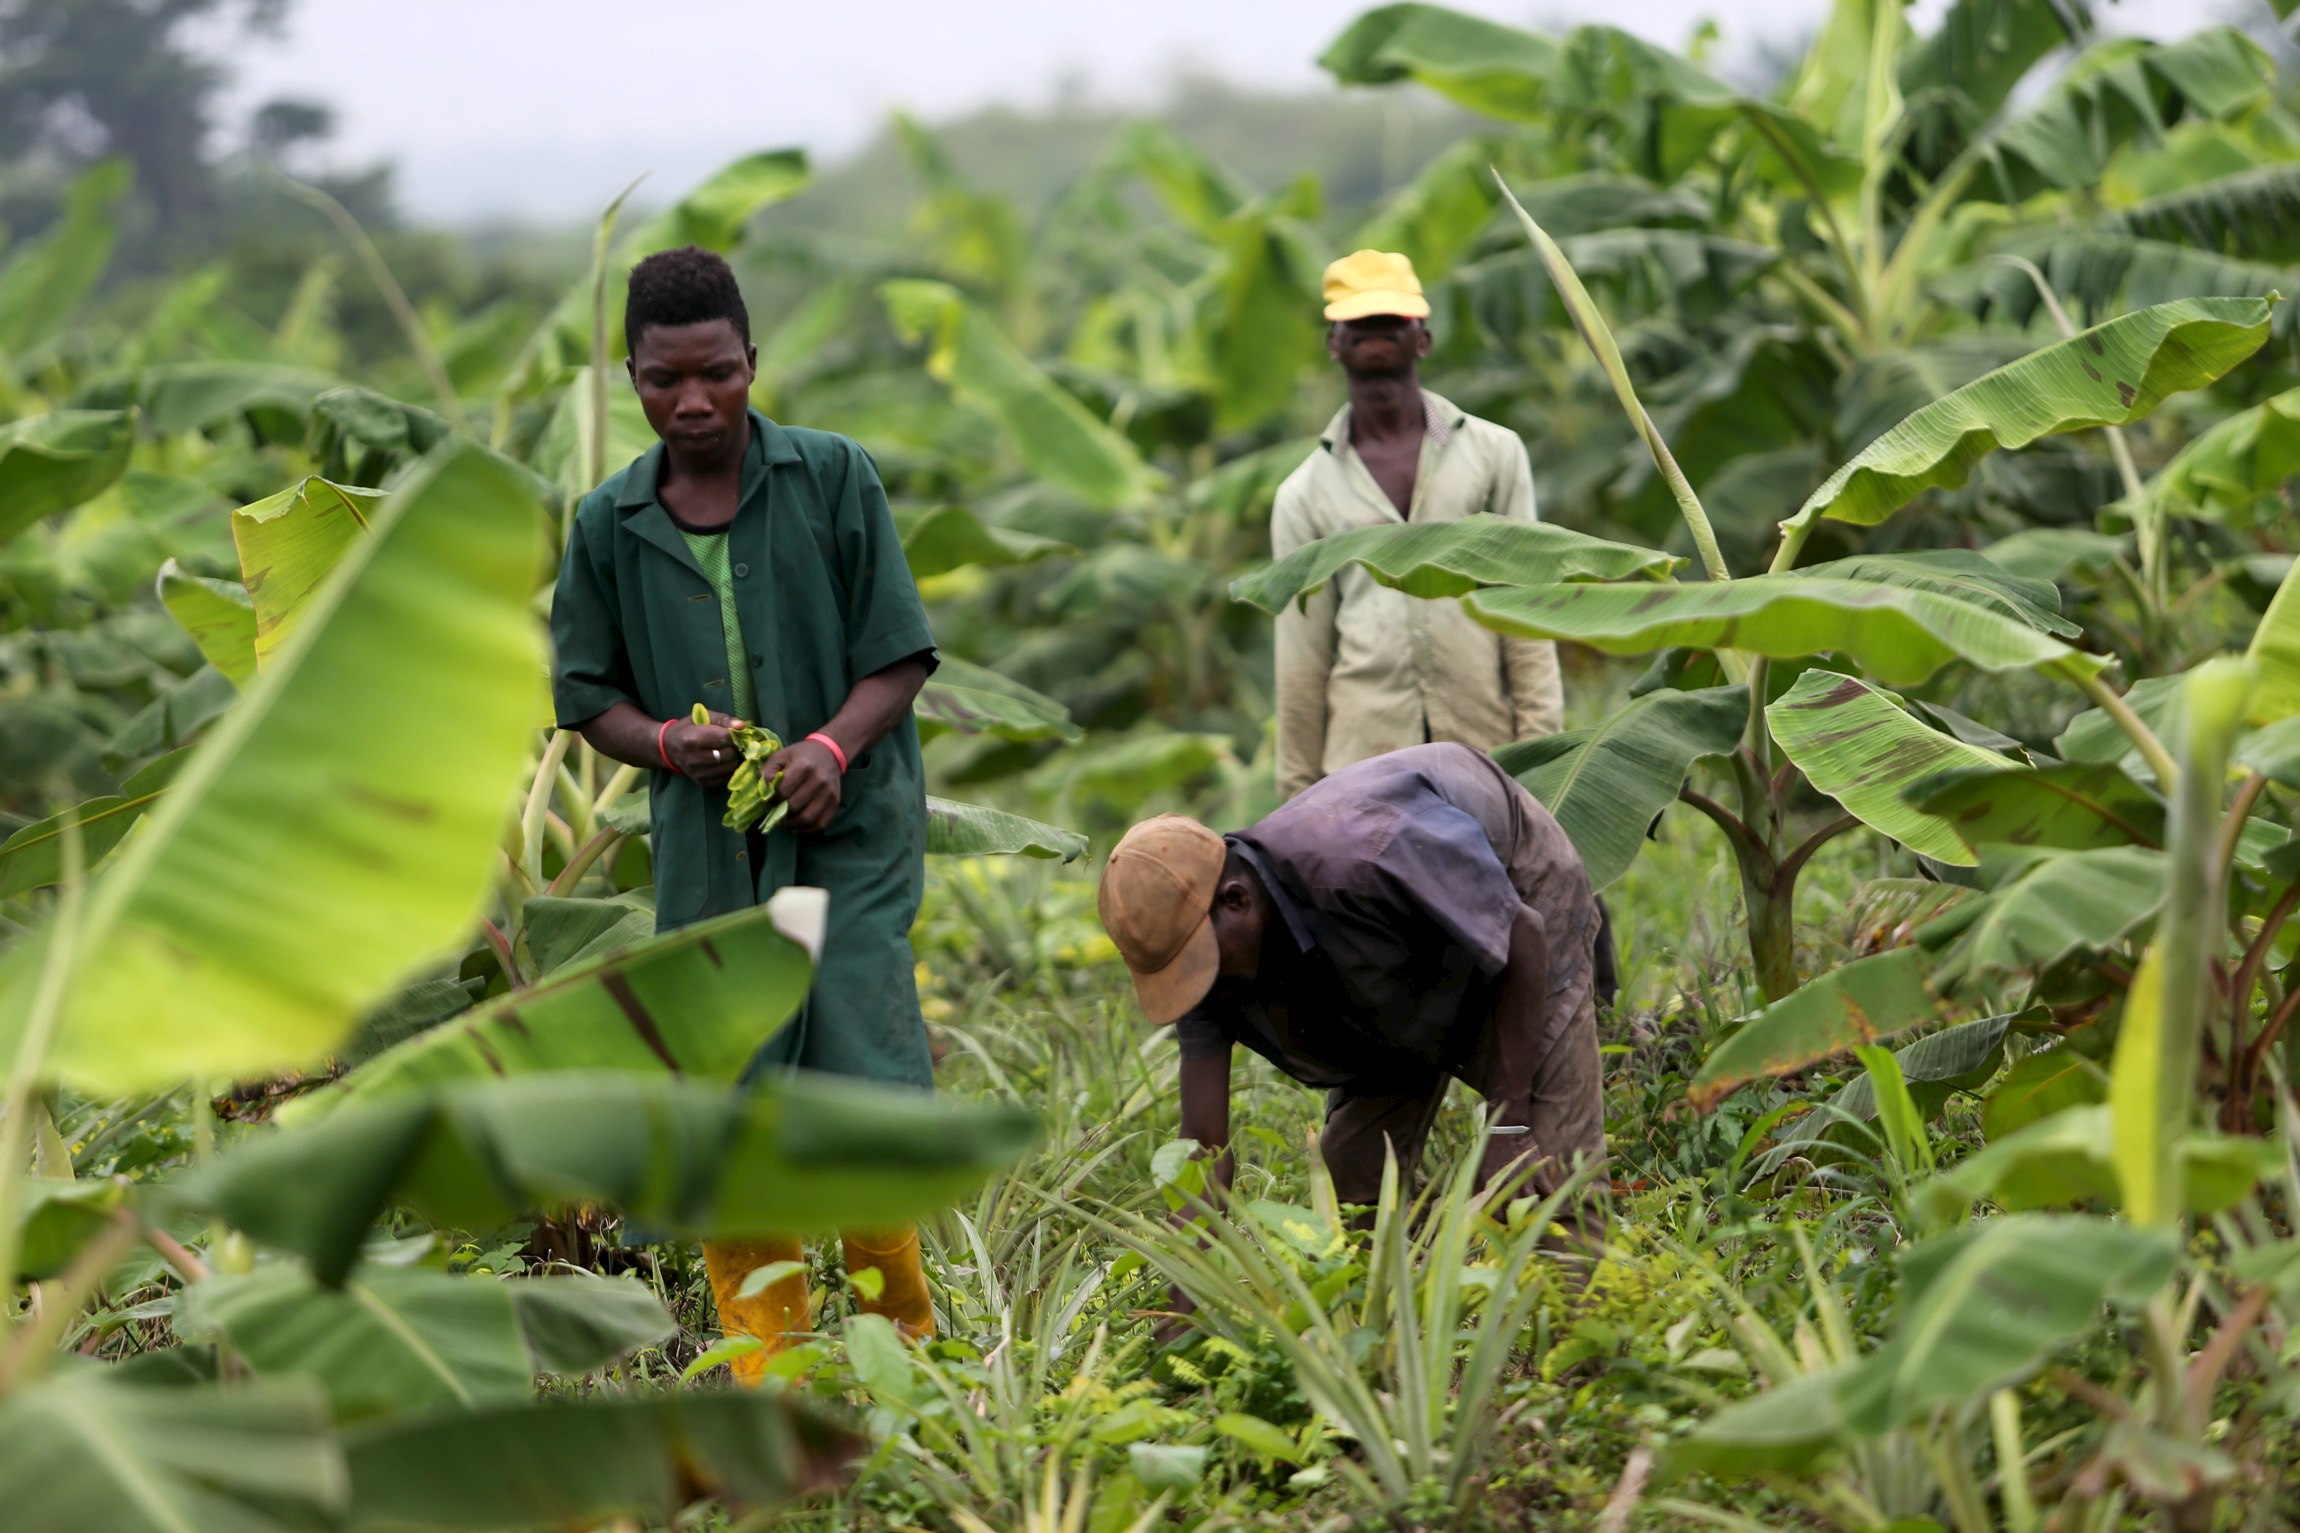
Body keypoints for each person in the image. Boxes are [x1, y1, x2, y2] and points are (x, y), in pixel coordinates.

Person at [549, 245, 939, 1382]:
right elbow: (586, 697)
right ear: (632, 378)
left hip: (848, 837)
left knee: (858, 1070)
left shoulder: (831, 476)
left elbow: (900, 650)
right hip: (709, 853)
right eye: (666, 379)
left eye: (716, 372)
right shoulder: (607, 522)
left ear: (751, 362)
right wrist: (667, 743)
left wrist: (828, 745)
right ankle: (768, 1372)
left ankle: (901, 1349)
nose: (694, 401)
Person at [1096, 743, 1606, 1240]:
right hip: (1386, 944)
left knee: (1551, 1187)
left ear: (1237, 901)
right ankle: (1440, 1285)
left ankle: (1579, 1298)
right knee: (1353, 1188)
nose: (1201, 984)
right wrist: (1190, 1280)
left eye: (1201, 963)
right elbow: (1204, 1144)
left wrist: (1507, 1125)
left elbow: (1521, 935)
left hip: (1512, 881)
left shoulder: (1365, 855)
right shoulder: (1206, 963)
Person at [1272, 249, 1564, 804]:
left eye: (1390, 317)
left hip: (1487, 755)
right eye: (1357, 320)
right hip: (1363, 772)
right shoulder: (1302, 494)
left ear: (1422, 339)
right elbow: (1301, 661)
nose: (1373, 329)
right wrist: (1296, 801)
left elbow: (1529, 612)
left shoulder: (1495, 454)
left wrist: (1540, 753)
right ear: (1334, 343)